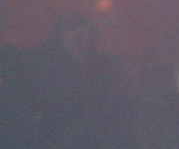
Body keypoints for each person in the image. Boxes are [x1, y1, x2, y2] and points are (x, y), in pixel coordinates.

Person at [34, 13, 137, 149]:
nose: (78, 38)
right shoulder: (51, 73)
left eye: (83, 33)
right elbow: (48, 120)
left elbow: (122, 112)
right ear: (61, 39)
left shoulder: (107, 67)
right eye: (71, 33)